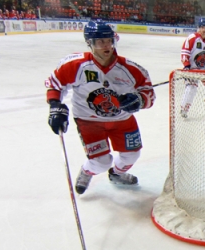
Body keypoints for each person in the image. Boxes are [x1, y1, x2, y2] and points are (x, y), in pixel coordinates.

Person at [44, 20, 155, 194]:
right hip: (89, 122)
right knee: (100, 162)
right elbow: (55, 84)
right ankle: (88, 171)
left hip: (122, 120)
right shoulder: (74, 64)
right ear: (90, 43)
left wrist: (139, 100)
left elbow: (149, 93)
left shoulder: (131, 69)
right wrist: (55, 105)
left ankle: (117, 174)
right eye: (100, 42)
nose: (107, 46)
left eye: (109, 40)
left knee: (132, 155)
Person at [179, 17, 205, 118]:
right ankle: (184, 109)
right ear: (198, 27)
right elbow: (184, 54)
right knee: (191, 88)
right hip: (192, 69)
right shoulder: (192, 38)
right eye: (201, 27)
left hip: (204, 69)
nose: (203, 30)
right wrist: (186, 66)